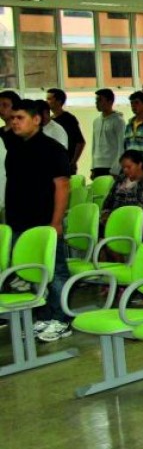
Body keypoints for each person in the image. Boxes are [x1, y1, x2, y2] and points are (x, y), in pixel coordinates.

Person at [7, 100, 74, 343]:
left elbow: (62, 186)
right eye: (12, 117)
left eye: (20, 117)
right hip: (19, 222)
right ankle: (44, 316)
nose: (14, 121)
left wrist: (55, 222)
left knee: (55, 272)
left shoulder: (51, 148)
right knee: (32, 273)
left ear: (36, 120)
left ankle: (63, 319)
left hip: (44, 222)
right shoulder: (15, 148)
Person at [101, 150, 143, 229]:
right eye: (123, 167)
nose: (125, 170)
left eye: (129, 167)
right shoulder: (121, 178)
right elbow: (108, 200)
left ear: (139, 165)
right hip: (114, 219)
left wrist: (116, 216)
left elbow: (142, 207)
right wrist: (106, 213)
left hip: (134, 222)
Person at [89, 89, 125, 180]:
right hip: (97, 166)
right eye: (96, 100)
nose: (97, 103)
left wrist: (116, 168)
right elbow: (94, 146)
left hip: (111, 166)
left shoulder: (118, 121)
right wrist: (93, 167)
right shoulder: (96, 121)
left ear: (110, 101)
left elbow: (122, 147)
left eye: (100, 100)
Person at [46, 88, 85, 172]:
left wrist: (73, 162)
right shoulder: (50, 120)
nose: (46, 102)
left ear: (59, 101)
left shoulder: (69, 119)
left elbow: (80, 142)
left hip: (66, 163)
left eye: (49, 99)